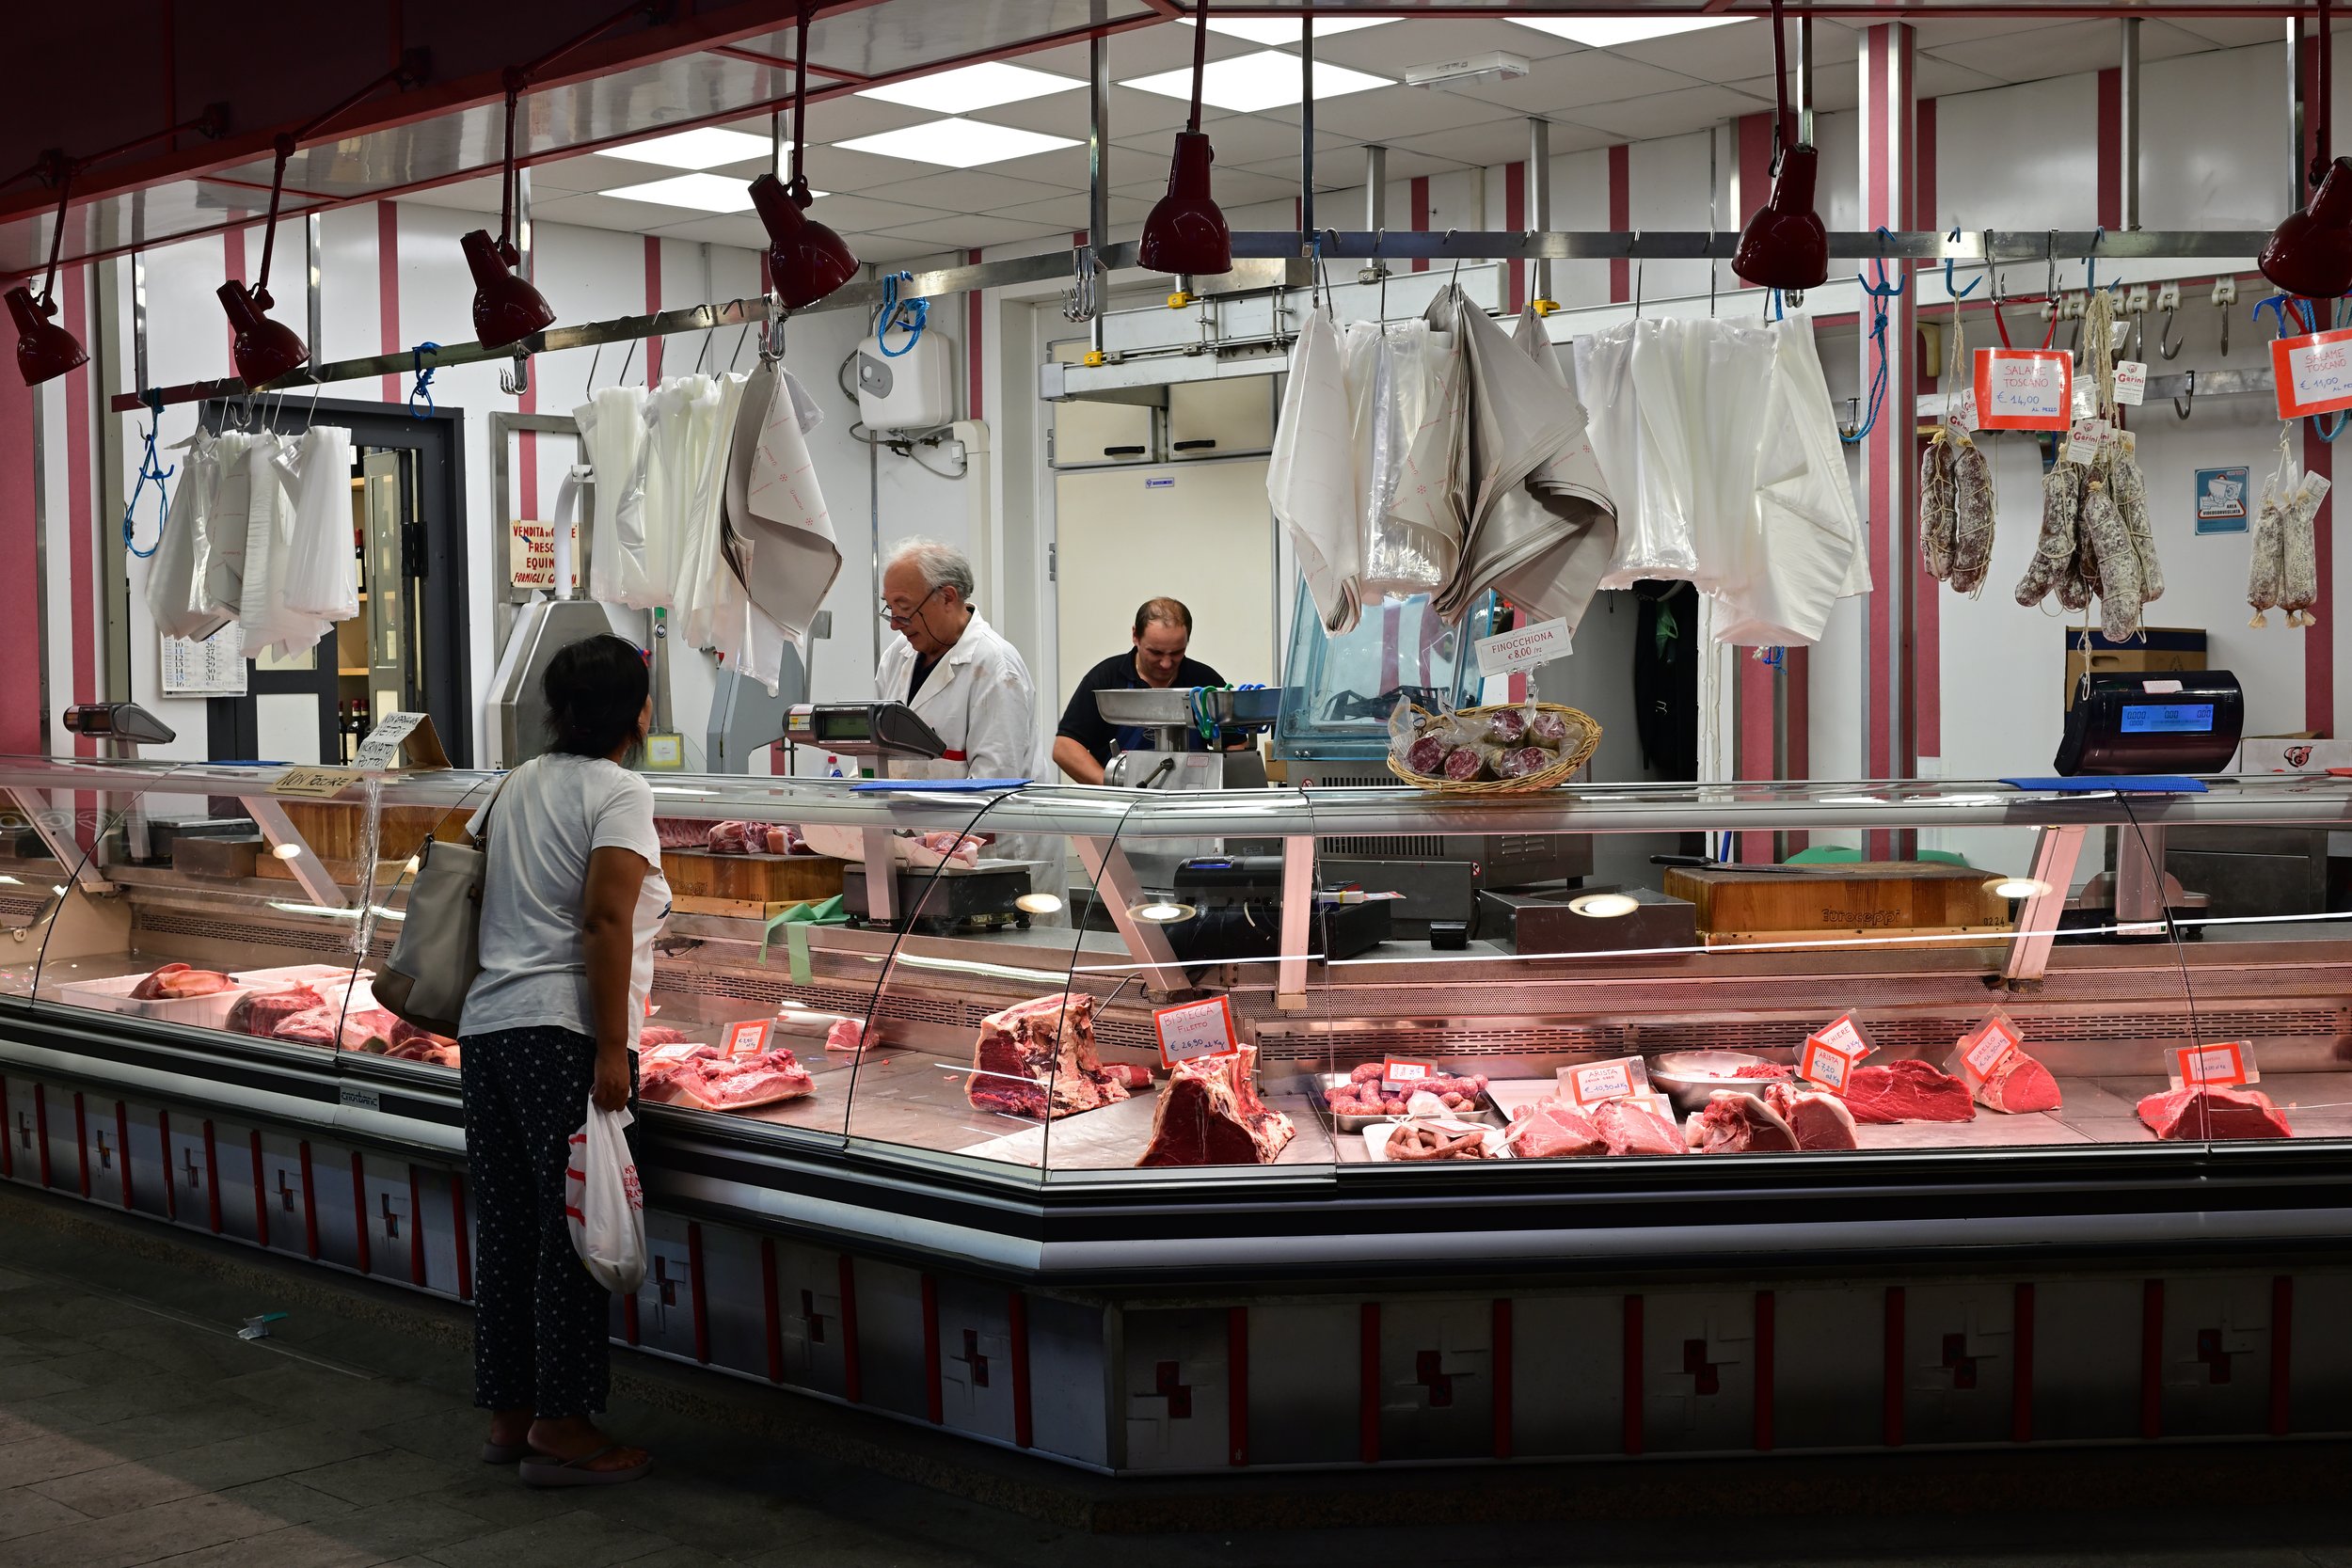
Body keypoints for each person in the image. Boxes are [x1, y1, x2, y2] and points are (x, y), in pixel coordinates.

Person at [457, 634, 669, 1488]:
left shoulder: (514, 783)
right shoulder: (619, 789)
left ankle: (510, 1412)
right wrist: (613, 1047)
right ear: (639, 712)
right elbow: (604, 922)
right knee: (572, 1231)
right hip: (560, 1032)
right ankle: (564, 1422)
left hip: (488, 1027)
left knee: (507, 1227)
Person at [876, 538, 1047, 780]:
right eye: (890, 608)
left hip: (975, 817)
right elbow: (876, 748)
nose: (895, 625)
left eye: (904, 610)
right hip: (906, 815)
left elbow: (993, 785)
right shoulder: (898, 655)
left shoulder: (996, 666)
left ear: (947, 597)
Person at [1052, 596, 1227, 785]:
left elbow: (1235, 745)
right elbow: (1065, 748)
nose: (1166, 663)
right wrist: (1112, 788)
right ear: (1135, 635)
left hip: (1190, 802)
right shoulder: (1106, 679)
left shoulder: (1205, 682)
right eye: (1156, 652)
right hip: (1120, 806)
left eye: (1177, 652)